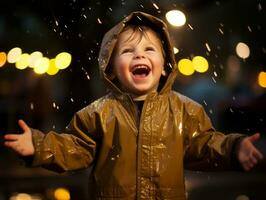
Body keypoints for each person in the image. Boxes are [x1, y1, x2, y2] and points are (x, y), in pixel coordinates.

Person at [3, 11, 264, 199]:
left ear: (164, 67)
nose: (139, 54)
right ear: (112, 69)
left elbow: (205, 145)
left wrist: (234, 148)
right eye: (128, 51)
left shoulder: (185, 111)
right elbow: (73, 148)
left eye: (150, 50)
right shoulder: (98, 114)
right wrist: (37, 146)